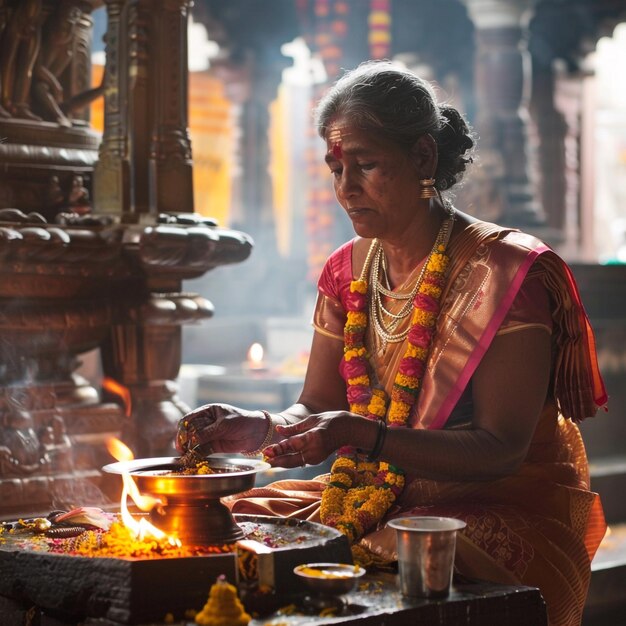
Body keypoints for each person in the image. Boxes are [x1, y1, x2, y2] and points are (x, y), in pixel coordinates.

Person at [176, 61, 608, 626]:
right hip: (371, 494)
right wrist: (264, 427)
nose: (345, 189)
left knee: (368, 556)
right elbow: (318, 404)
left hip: (490, 506)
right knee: (213, 528)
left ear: (424, 158)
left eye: (367, 165)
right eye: (336, 169)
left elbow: (501, 448)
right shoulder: (346, 271)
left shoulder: (506, 273)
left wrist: (364, 435)